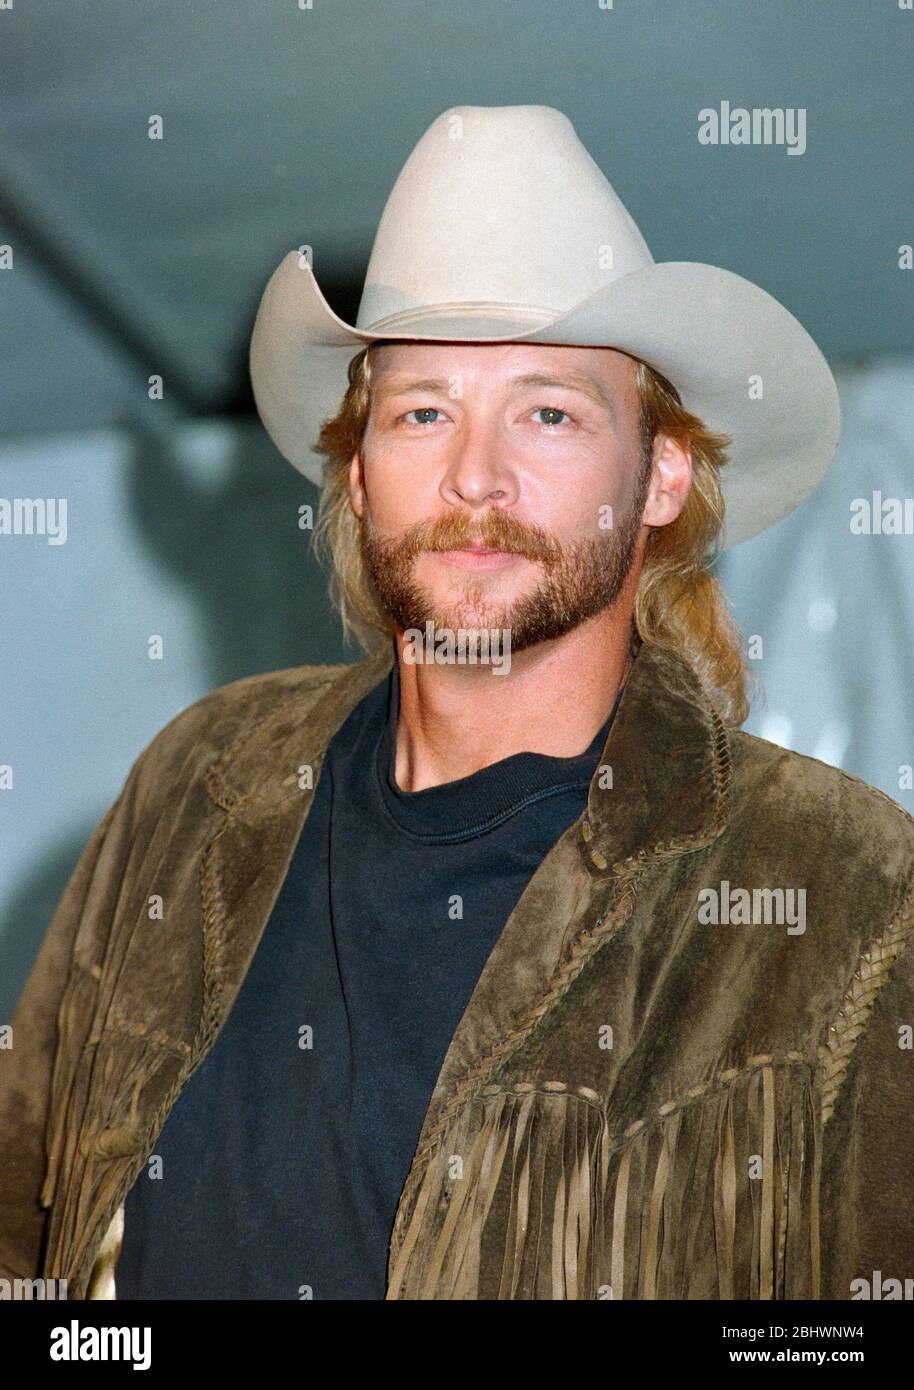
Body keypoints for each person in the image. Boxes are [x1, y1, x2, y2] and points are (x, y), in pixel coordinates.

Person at [2, 105, 912, 1301]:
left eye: (547, 411)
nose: (473, 475)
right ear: (363, 470)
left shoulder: (845, 886)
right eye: (422, 409)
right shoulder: (196, 781)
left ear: (660, 475)